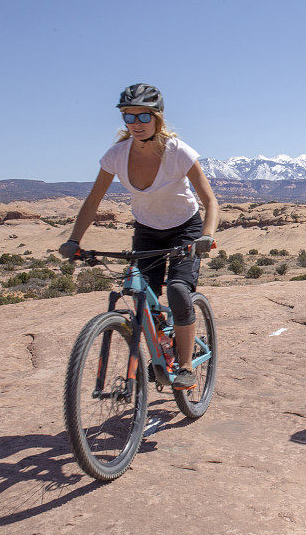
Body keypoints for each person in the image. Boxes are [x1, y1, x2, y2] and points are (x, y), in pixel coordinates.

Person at [60, 83, 220, 388]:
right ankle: (161, 344)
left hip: (184, 229)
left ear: (157, 117)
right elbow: (93, 201)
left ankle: (185, 365)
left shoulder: (177, 152)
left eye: (143, 117)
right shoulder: (116, 155)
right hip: (147, 231)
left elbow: (210, 201)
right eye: (128, 117)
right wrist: (74, 241)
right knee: (139, 291)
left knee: (177, 290)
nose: (135, 124)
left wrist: (206, 235)